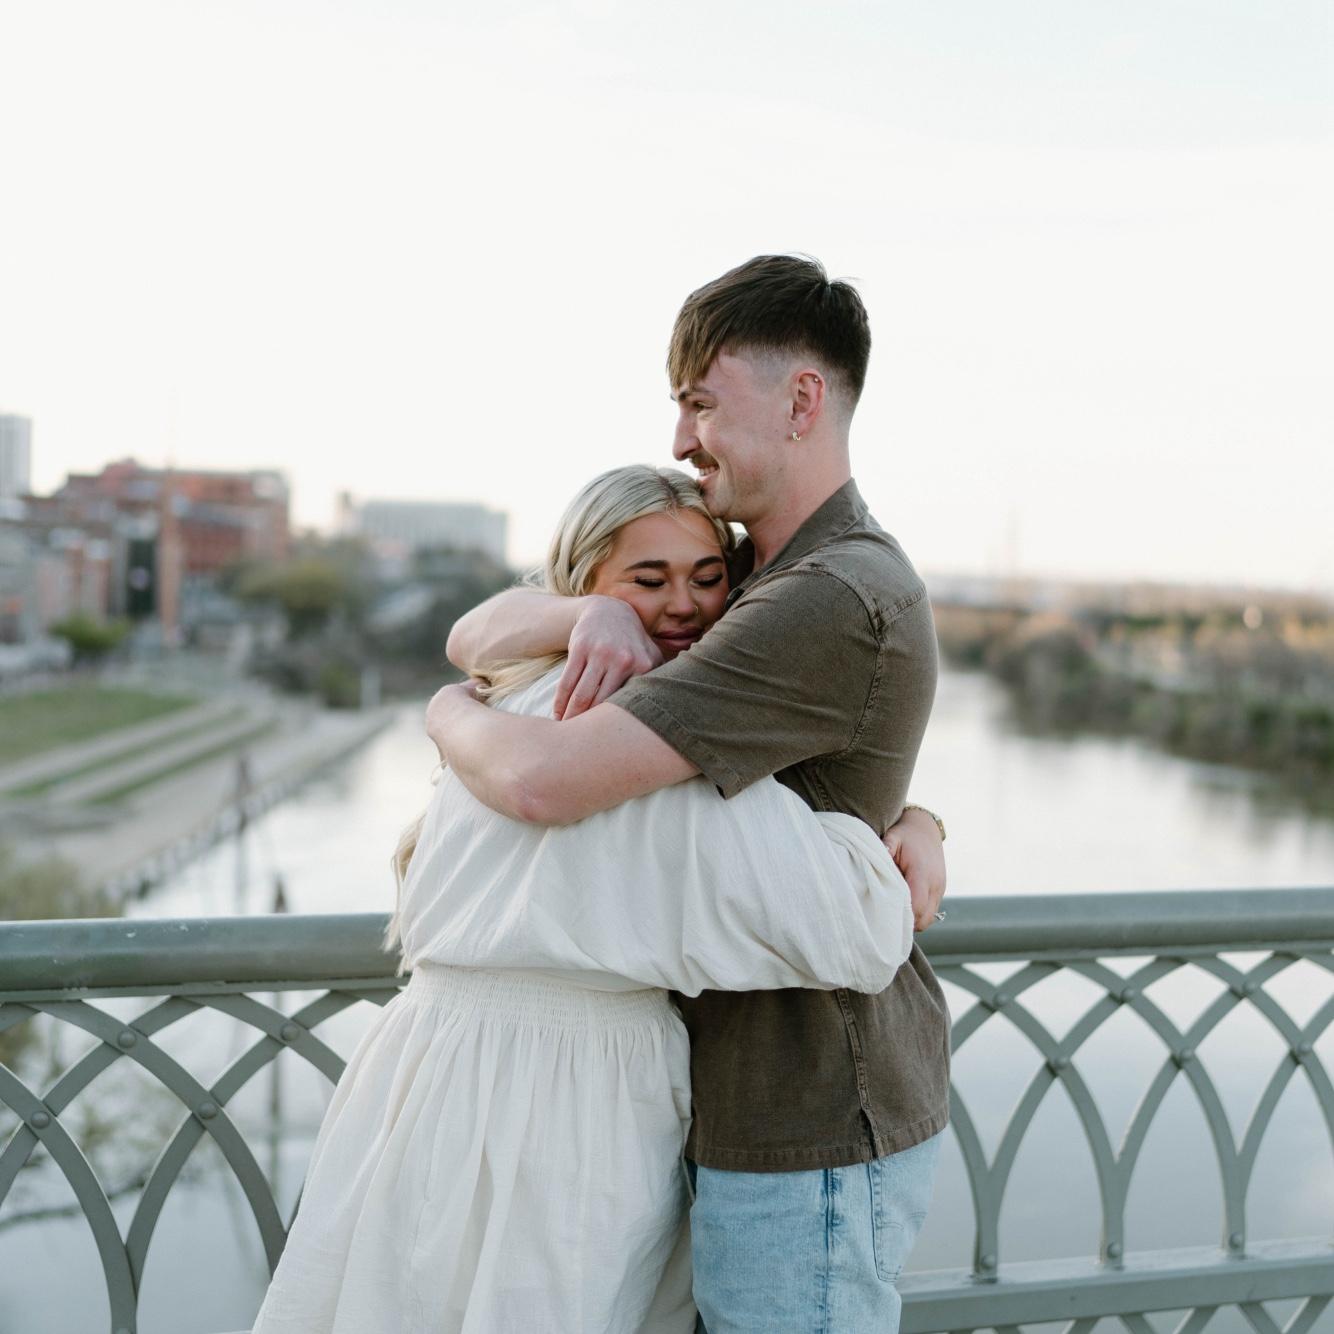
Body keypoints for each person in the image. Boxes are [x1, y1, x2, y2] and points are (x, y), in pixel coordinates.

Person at [248, 464, 924, 1334]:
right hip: (568, 1101)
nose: (683, 606)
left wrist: (448, 709)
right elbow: (858, 930)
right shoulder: (640, 754)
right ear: (583, 587)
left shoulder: (504, 704)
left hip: (417, 1075)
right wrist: (893, 835)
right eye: (648, 581)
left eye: (707, 578)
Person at [428, 254, 950, 1333]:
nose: (679, 438)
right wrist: (585, 614)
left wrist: (441, 715)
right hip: (726, 1100)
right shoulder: (754, 573)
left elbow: (537, 779)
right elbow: (480, 629)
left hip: (806, 1110)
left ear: (801, 399)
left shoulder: (825, 593)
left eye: (701, 403)